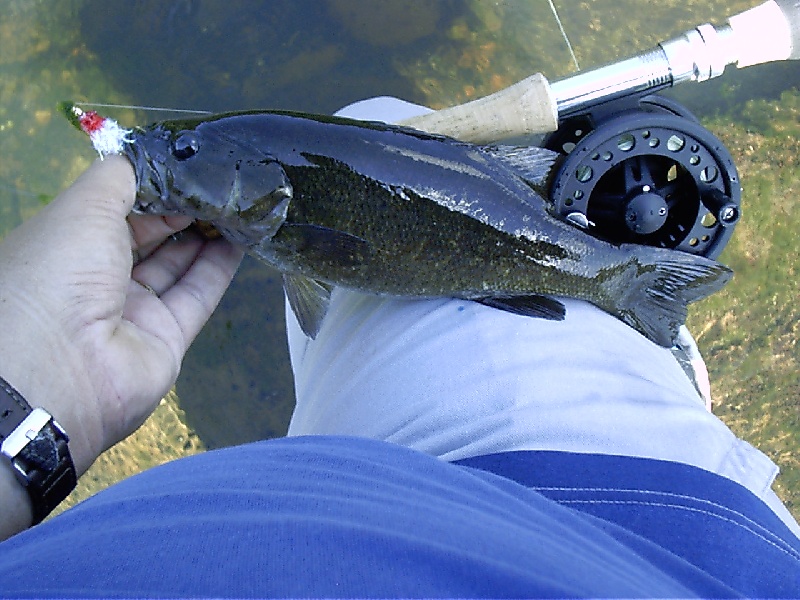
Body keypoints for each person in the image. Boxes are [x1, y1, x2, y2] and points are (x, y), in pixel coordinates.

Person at [0, 100, 797, 597]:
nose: (169, 158)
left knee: (365, 145)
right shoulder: (272, 198)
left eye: (185, 155)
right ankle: (652, 369)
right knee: (375, 107)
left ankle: (637, 326)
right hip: (706, 540)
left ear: (263, 189)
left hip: (370, 490)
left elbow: (312, 279)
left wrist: (40, 372)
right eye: (180, 153)